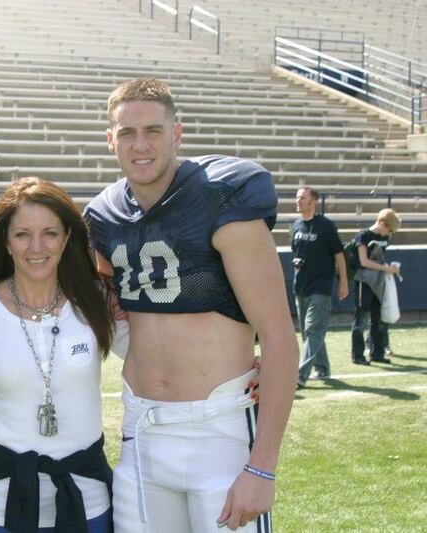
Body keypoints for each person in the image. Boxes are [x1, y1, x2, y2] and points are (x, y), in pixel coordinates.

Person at [83, 78, 298, 533]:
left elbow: (279, 335)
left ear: (177, 133)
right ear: (110, 140)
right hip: (141, 430)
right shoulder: (103, 215)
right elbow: (104, 295)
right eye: (126, 133)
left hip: (218, 430)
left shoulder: (223, 196)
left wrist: (262, 468)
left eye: (153, 130)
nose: (140, 144)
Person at [0, 177, 127, 533]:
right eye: (22, 234)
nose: (36, 246)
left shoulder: (96, 300)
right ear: (5, 240)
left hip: (87, 498)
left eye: (50, 232)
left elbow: (154, 358)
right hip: (1, 502)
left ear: (67, 237)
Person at [290, 187, 348, 387]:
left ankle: (300, 375)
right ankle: (322, 368)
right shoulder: (296, 225)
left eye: (302, 197)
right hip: (301, 285)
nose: (298, 200)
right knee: (309, 333)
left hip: (321, 286)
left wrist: (343, 282)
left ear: (314, 201)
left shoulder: (326, 225)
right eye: (297, 197)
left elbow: (339, 254)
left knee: (313, 328)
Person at [350, 208, 402, 365]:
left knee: (378, 319)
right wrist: (387, 268)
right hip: (364, 282)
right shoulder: (364, 236)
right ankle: (358, 355)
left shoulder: (384, 236)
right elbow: (364, 261)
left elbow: (379, 259)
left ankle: (377, 353)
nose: (389, 234)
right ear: (381, 223)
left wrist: (388, 267)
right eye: (389, 229)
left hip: (379, 282)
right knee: (361, 320)